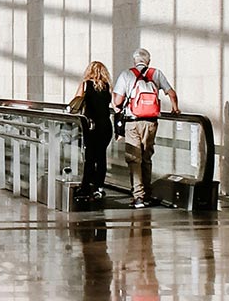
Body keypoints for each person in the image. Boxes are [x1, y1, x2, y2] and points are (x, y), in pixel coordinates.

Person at [114, 48, 178, 208]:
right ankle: (148, 194)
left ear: (134, 60)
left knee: (134, 159)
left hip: (133, 122)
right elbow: (171, 93)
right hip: (151, 122)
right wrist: (175, 108)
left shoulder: (127, 74)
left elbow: (117, 101)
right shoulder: (156, 74)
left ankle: (138, 197)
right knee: (146, 157)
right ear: (148, 61)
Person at [69, 61, 116, 200]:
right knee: (101, 157)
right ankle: (99, 187)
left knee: (90, 157)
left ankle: (85, 187)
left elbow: (75, 103)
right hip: (106, 126)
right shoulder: (108, 86)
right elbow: (114, 105)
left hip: (91, 126)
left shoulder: (85, 84)